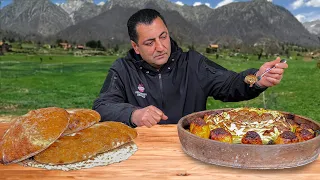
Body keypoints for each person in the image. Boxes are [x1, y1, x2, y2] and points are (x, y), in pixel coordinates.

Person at [92, 9, 288, 128]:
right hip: (141, 151)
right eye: (150, 42)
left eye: (163, 36)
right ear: (136, 47)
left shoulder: (193, 63)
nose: (160, 47)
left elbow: (230, 83)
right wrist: (133, 114)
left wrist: (256, 78)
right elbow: (102, 107)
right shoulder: (123, 69)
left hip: (191, 146)